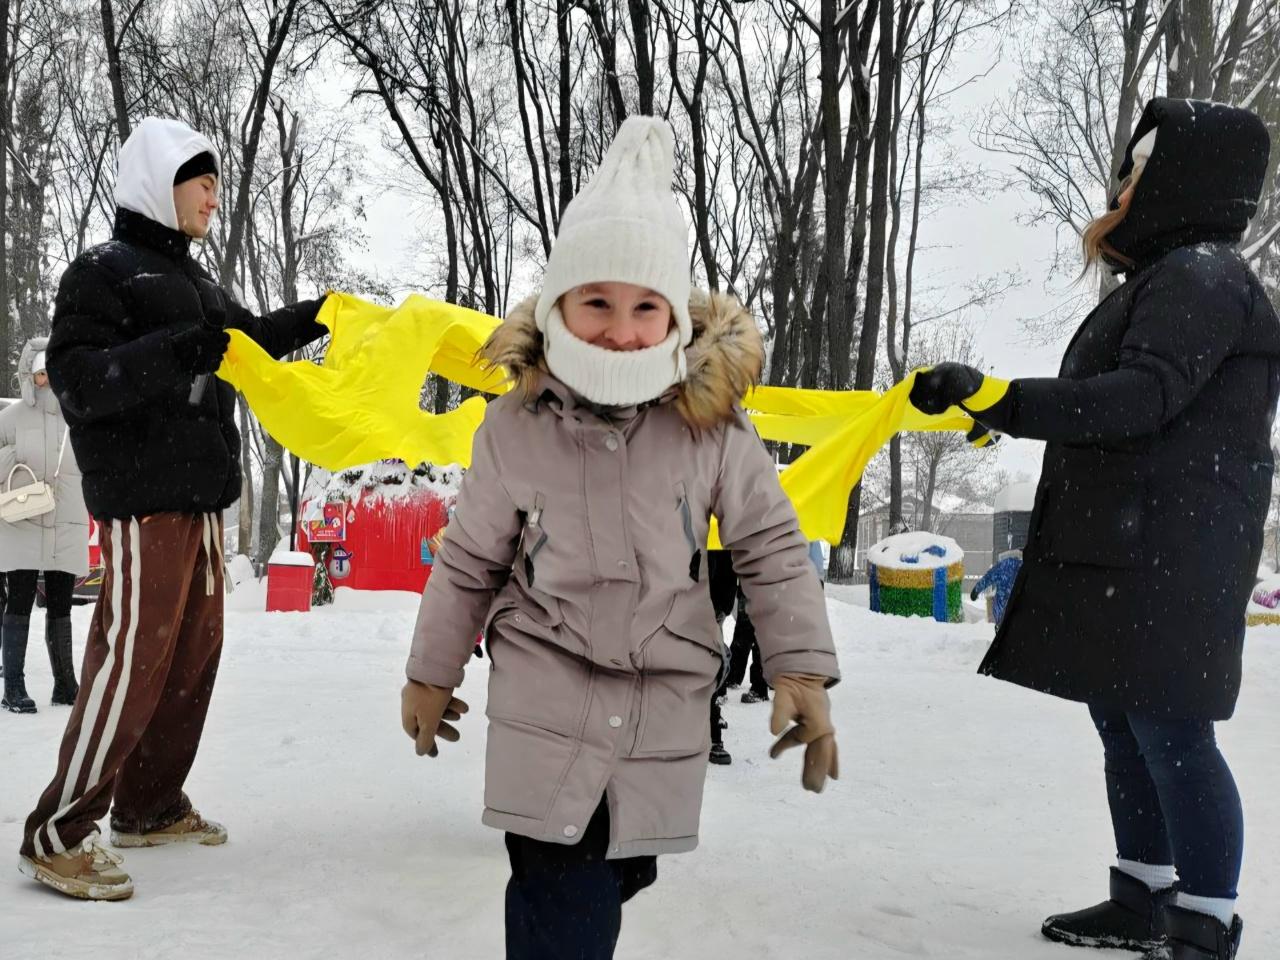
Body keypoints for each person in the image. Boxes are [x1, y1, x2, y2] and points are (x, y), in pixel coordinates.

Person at [400, 116, 840, 959]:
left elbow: (771, 547)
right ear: (560, 303)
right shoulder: (515, 425)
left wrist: (799, 666)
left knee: (610, 870)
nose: (619, 328)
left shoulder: (709, 426)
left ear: (673, 319)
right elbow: (467, 562)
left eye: (645, 308)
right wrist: (430, 672)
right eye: (596, 301)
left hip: (659, 697)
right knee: (560, 883)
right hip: (547, 686)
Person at [911, 99, 1278, 960]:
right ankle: (1143, 895)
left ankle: (1205, 920)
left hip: (1175, 549)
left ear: (1183, 179)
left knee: (1174, 729)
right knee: (1124, 718)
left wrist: (1003, 397)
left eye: (1140, 170)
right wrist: (998, 409)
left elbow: (1143, 397)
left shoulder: (1203, 275)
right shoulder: (1173, 275)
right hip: (1143, 540)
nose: (1122, 186)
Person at [17, 117, 330, 902]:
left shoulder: (198, 283)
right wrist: (179, 349)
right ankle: (56, 832)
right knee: (131, 660)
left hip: (201, 507)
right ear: (162, 183)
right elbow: (81, 381)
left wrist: (324, 315)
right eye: (203, 180)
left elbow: (245, 341)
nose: (214, 196)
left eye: (217, 181)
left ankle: (149, 805)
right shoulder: (103, 272)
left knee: (191, 660)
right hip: (143, 507)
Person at [1, 338, 89, 712]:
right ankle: (14, 685)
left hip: (65, 519)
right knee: (19, 601)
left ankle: (65, 683)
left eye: (52, 373)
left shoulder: (76, 416)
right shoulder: (10, 418)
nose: (46, 381)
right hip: (22, 518)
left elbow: (89, 466)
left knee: (61, 604)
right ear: (29, 374)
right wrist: (19, 468)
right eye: (40, 374)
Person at [970, 549, 1022, 627]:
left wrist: (976, 590)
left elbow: (988, 577)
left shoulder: (1003, 566)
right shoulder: (1025, 567)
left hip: (1001, 610)